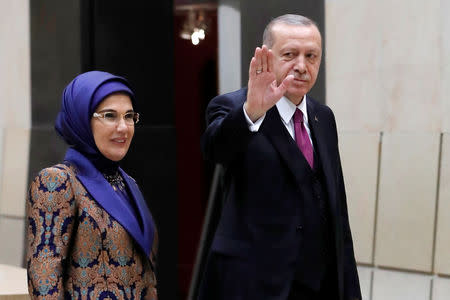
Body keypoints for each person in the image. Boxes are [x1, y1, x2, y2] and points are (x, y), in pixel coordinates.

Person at [198, 14, 361, 300]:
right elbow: (215, 149)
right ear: (266, 57)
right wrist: (253, 112)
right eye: (290, 55)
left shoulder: (324, 117)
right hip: (255, 284)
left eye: (311, 56)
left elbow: (337, 210)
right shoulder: (235, 107)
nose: (301, 66)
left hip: (320, 284)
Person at [26, 71, 158, 299]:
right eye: (110, 115)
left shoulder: (128, 184)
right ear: (81, 118)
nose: (123, 127)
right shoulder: (57, 181)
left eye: (129, 116)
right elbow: (44, 282)